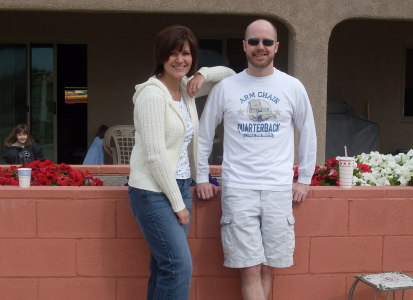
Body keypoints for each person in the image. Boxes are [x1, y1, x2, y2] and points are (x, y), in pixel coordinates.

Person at [196, 19, 317, 300]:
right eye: (253, 42)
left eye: (265, 42)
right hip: (239, 188)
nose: (259, 47)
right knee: (249, 269)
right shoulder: (227, 87)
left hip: (278, 188)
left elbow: (308, 132)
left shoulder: (292, 86)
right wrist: (202, 176)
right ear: (244, 46)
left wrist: (304, 180)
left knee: (267, 268)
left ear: (276, 46)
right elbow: (204, 133)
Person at [127, 25, 235, 300]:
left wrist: (203, 74)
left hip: (180, 185)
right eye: (172, 53)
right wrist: (178, 203)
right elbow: (154, 155)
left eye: (186, 54)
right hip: (153, 192)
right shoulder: (152, 94)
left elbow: (230, 75)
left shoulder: (187, 89)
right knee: (178, 266)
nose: (179, 59)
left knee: (164, 267)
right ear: (161, 57)